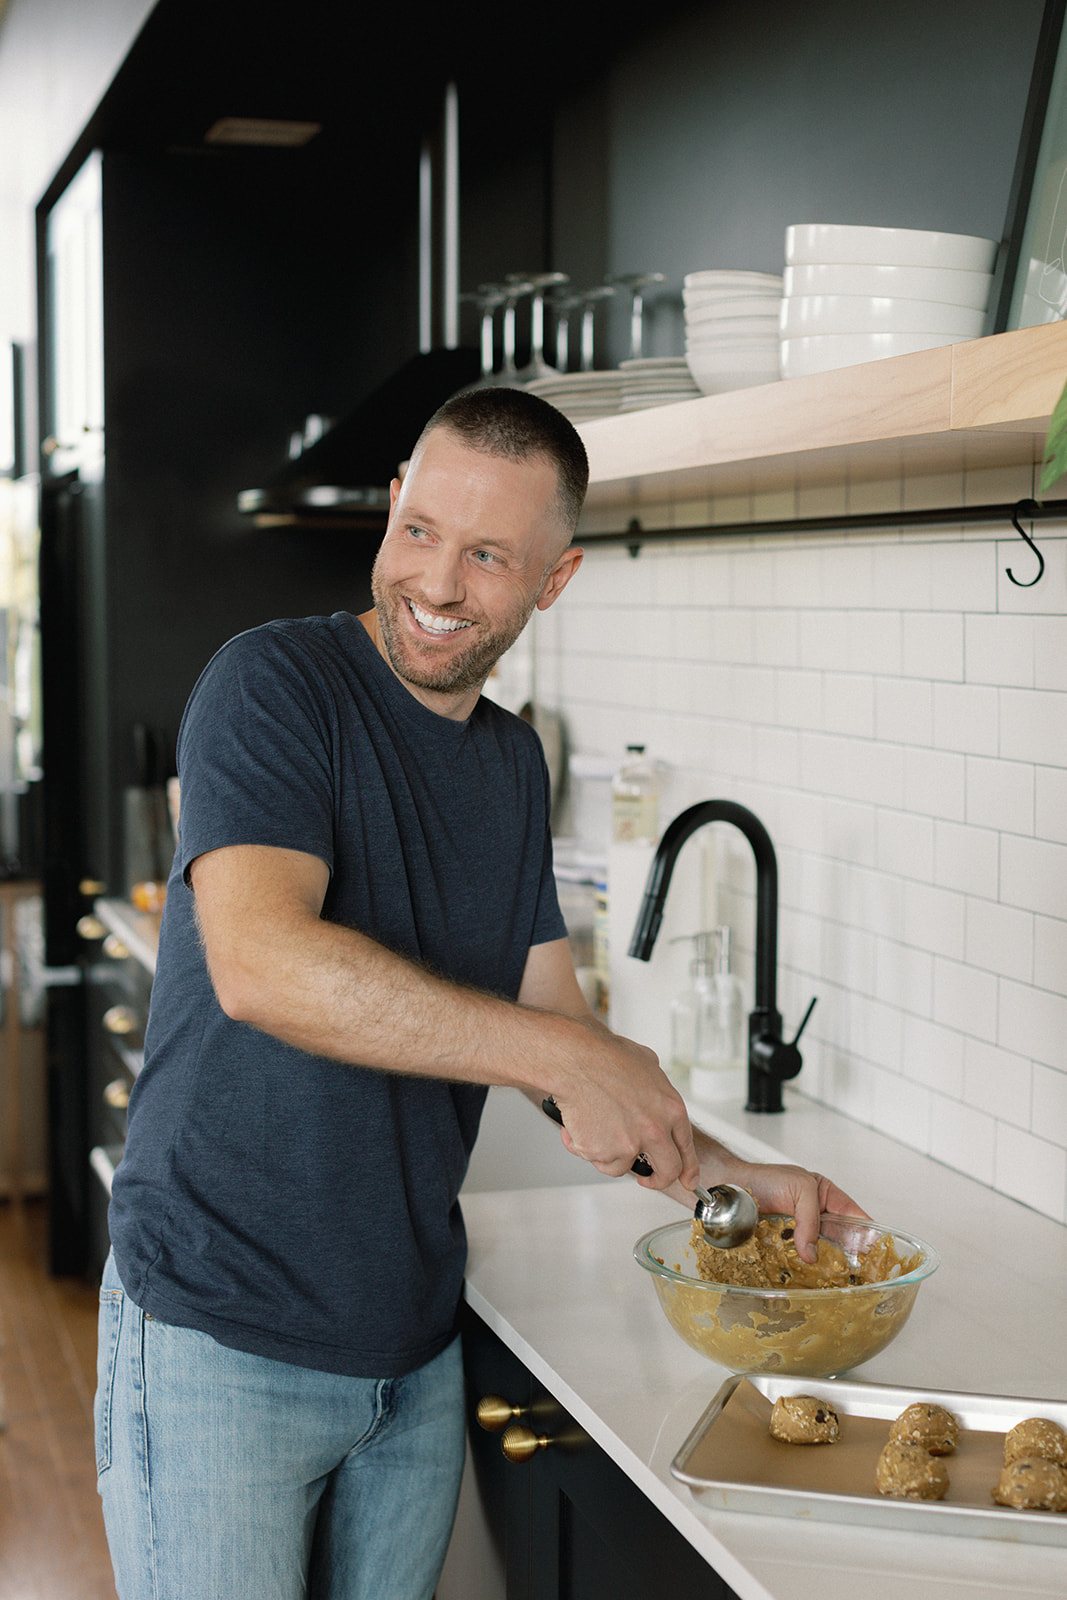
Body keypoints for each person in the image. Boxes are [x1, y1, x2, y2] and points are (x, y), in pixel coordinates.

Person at [96, 385, 864, 1600]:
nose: (437, 583)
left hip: (408, 1350)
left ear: (551, 581)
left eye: (488, 555)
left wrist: (724, 1176)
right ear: (392, 505)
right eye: (419, 530)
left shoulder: (510, 764)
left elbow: (554, 1021)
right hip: (215, 1338)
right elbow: (258, 963)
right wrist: (561, 1061)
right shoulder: (271, 686)